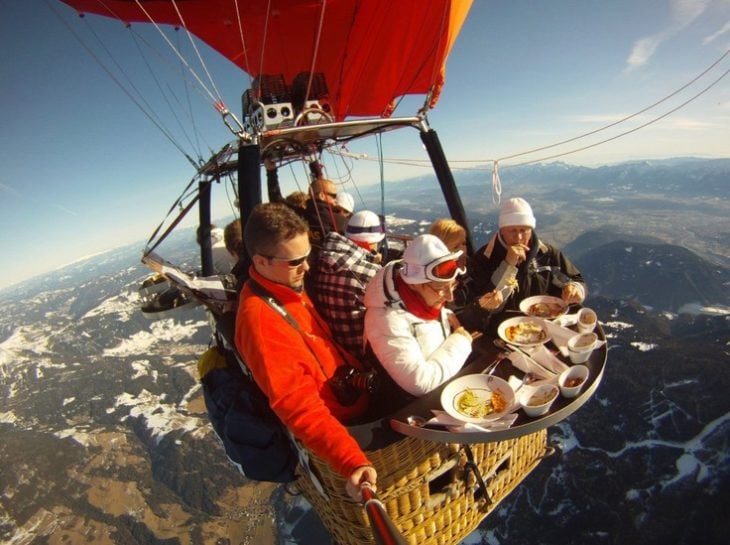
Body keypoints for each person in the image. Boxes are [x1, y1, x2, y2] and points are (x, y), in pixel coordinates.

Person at [234, 202, 377, 501]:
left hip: (351, 391)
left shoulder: (284, 286)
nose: (307, 267)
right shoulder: (261, 323)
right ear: (260, 262)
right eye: (295, 261)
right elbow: (299, 407)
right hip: (344, 424)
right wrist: (351, 459)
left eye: (307, 256)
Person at [363, 234, 474, 405]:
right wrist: (460, 341)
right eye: (441, 289)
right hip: (403, 407)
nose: (450, 297)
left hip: (441, 393)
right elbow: (419, 383)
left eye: (452, 285)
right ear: (413, 284)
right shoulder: (385, 320)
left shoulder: (423, 299)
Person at [466, 197, 586, 316]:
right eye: (512, 230)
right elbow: (485, 306)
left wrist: (575, 289)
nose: (518, 237)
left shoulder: (547, 253)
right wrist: (508, 265)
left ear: (531, 230)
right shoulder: (484, 258)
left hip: (543, 318)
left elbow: (575, 279)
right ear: (502, 230)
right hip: (503, 327)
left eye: (523, 230)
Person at [310, 210, 384, 357]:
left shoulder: (318, 261)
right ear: (373, 243)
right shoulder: (372, 274)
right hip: (362, 354)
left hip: (333, 348)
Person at [428, 218, 503, 331]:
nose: (463, 250)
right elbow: (455, 322)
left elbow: (486, 288)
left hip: (484, 321)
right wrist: (480, 307)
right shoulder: (440, 282)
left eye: (464, 243)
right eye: (455, 247)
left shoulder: (469, 264)